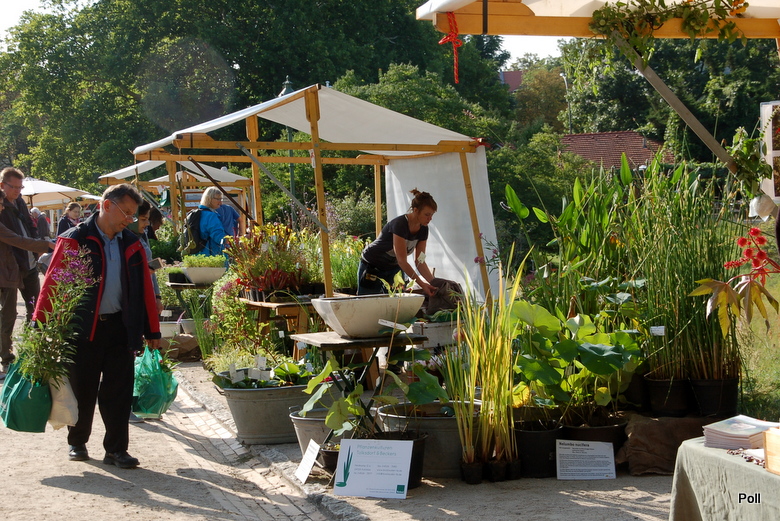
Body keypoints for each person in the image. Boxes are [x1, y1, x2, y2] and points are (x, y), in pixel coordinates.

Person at [33, 183, 161, 469]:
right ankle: (77, 442)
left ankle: (116, 450)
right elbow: (52, 283)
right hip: (82, 327)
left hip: (121, 327)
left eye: (132, 214)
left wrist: (152, 331)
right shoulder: (75, 239)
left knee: (119, 392)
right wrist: (40, 325)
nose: (129, 219)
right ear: (106, 205)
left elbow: (144, 290)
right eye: (126, 212)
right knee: (82, 389)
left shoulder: (132, 243)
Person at [0, 189, 54, 378]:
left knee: (11, 314)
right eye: (0, 204)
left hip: (11, 272)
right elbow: (18, 240)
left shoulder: (19, 206)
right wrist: (46, 245)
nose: (2, 208)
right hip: (5, 274)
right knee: (8, 316)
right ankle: (6, 359)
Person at [358, 188, 438, 297]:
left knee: (397, 302)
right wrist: (422, 285)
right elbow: (402, 261)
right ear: (416, 210)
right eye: (427, 214)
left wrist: (435, 283)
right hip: (372, 265)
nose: (430, 218)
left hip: (393, 268)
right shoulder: (400, 225)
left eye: (432, 215)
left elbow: (420, 261)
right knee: (368, 302)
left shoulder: (424, 229)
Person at [195, 186, 227, 256]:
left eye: (221, 199)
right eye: (218, 199)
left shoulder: (198, 214)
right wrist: (234, 240)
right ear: (209, 199)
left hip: (197, 253)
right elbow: (219, 238)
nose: (221, 202)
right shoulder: (211, 216)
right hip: (211, 255)